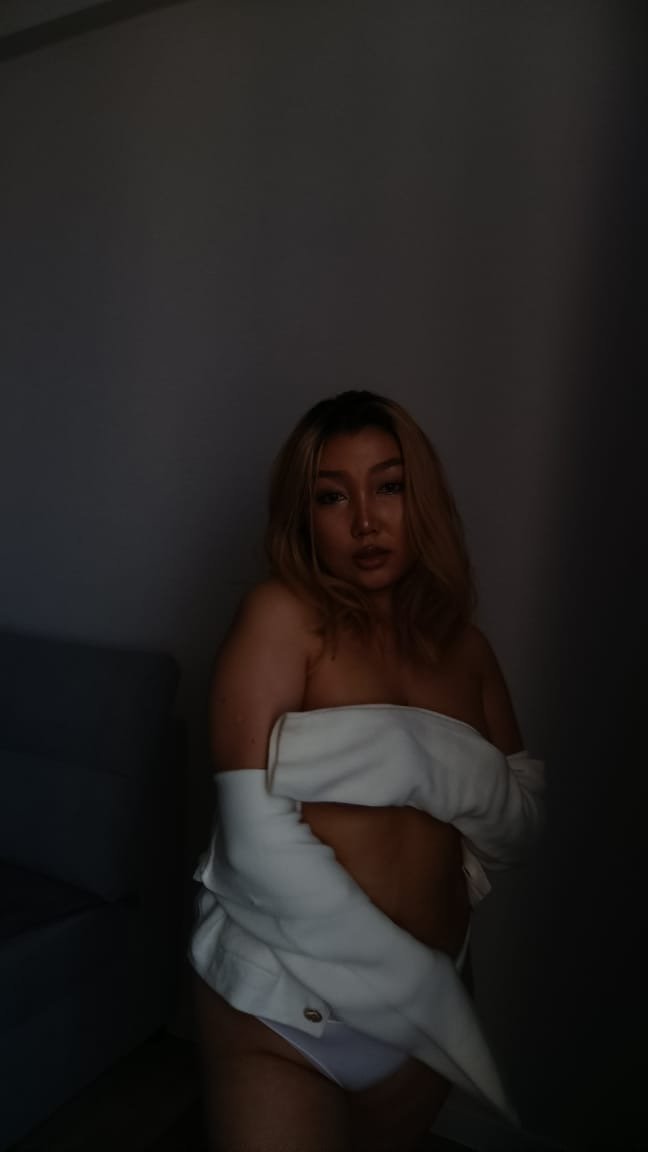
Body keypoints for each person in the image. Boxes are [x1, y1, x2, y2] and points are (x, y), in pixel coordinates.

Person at [189, 390, 545, 1152]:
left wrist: (419, 777)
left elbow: (518, 823)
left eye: (389, 487)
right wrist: (422, 985)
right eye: (331, 496)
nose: (364, 521)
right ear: (303, 516)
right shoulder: (283, 617)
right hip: (284, 1007)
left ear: (423, 500)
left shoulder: (468, 651)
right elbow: (253, 842)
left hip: (424, 1025)